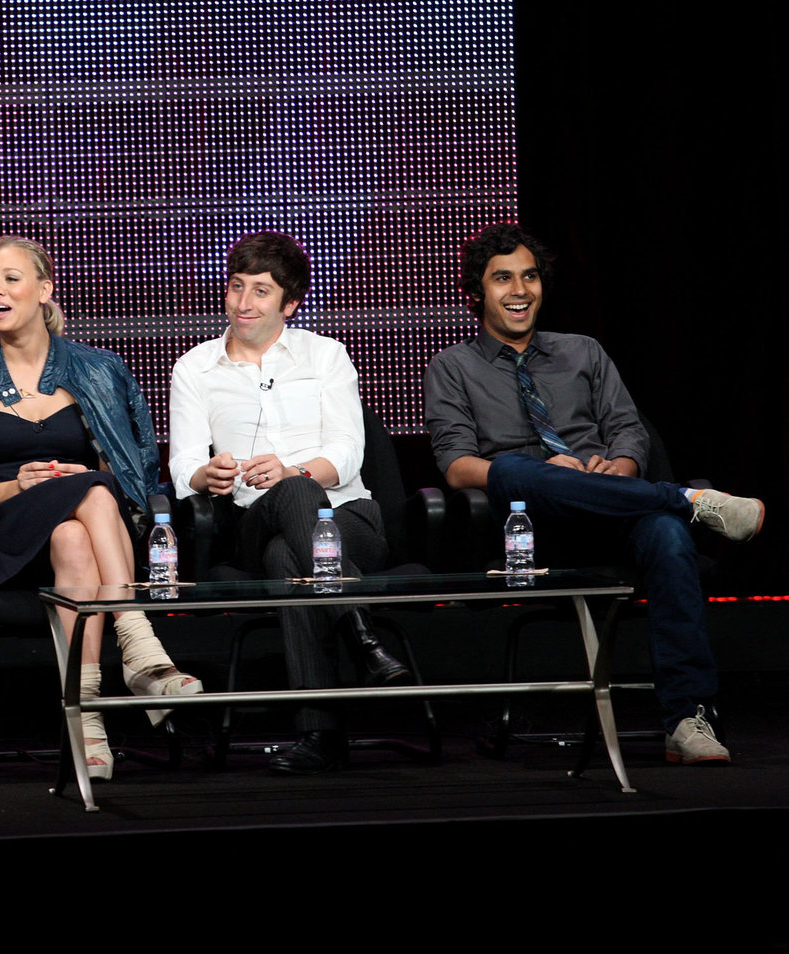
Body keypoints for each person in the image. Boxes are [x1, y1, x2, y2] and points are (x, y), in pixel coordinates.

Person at [424, 222, 765, 765]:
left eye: (530, 276)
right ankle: (690, 501)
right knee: (512, 467)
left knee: (669, 539)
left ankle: (686, 719)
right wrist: (545, 469)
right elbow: (458, 466)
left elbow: (629, 429)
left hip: (616, 515)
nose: (519, 290)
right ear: (476, 293)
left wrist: (622, 465)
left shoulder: (584, 351)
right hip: (532, 529)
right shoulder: (452, 367)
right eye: (502, 279)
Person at [0, 235, 201, 781]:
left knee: (77, 519)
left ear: (45, 289)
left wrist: (70, 482)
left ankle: (85, 718)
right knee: (88, 488)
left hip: (84, 540)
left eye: (11, 279)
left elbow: (126, 473)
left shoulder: (97, 370)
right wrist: (20, 486)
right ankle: (137, 640)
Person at [168, 231, 412, 776]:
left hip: (349, 519)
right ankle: (360, 631)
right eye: (236, 287)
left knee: (289, 550)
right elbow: (183, 468)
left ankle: (321, 736)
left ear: (289, 304)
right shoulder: (195, 368)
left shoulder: (325, 356)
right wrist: (208, 474)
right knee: (285, 511)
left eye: (260, 291)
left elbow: (348, 454)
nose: (243, 303)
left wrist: (294, 470)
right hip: (250, 521)